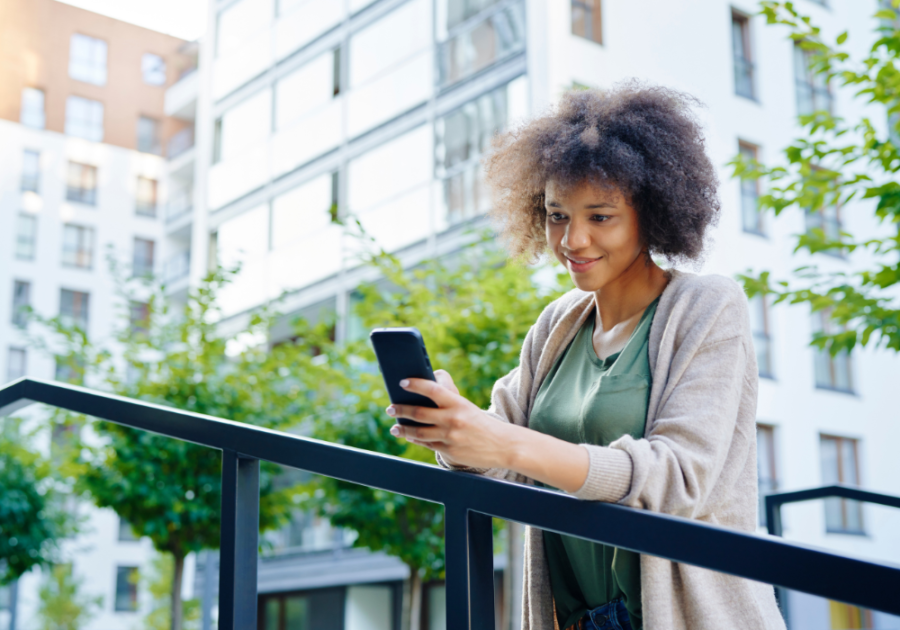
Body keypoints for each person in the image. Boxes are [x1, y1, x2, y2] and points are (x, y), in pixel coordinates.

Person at [386, 83, 786, 630]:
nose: (571, 240)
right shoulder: (558, 323)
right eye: (556, 215)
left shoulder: (706, 306)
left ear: (653, 211)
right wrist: (455, 430)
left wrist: (504, 440)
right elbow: (501, 457)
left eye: (600, 217)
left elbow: (677, 480)